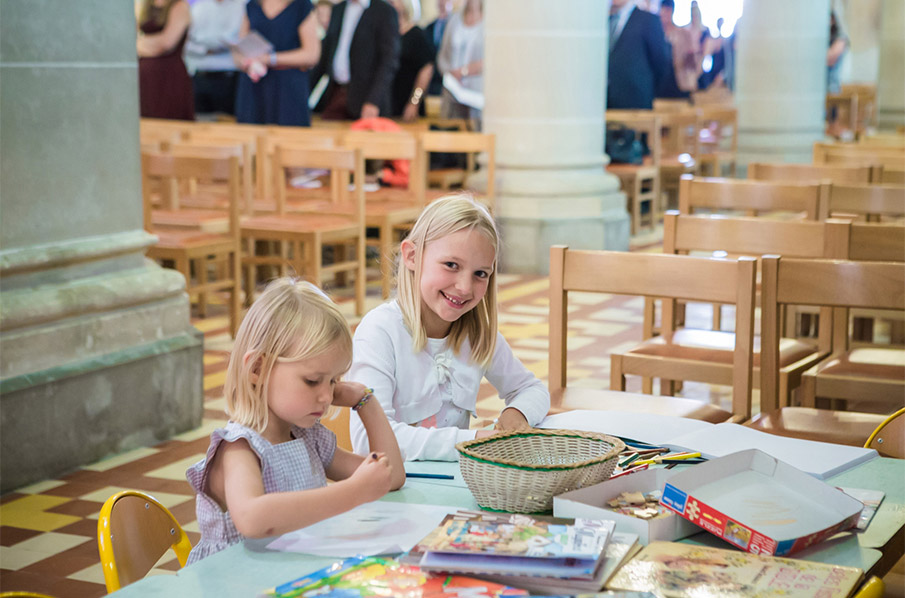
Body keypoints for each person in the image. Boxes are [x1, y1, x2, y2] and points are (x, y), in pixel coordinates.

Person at [186, 278, 405, 563]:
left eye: (334, 381)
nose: (327, 396)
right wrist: (353, 492)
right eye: (313, 381)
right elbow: (253, 519)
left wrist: (365, 401)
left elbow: (391, 476)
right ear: (258, 369)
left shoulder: (306, 437)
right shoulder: (239, 448)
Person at [348, 195, 551, 461]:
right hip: (392, 491)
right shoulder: (380, 331)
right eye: (451, 265)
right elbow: (369, 441)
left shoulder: (477, 335)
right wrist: (473, 441)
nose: (465, 287)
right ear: (411, 256)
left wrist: (516, 414)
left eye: (480, 274)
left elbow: (532, 390)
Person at [233, 0, 321, 126]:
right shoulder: (252, 5)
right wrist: (243, 61)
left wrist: (270, 59)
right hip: (255, 85)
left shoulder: (301, 6)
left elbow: (312, 54)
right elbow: (241, 47)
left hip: (287, 87)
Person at [311, 0, 401, 120]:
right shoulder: (338, 9)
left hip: (367, 98)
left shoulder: (384, 11)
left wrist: (373, 100)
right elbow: (325, 56)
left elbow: (389, 61)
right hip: (336, 93)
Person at [184, 0, 246, 118]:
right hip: (200, 75)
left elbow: (240, 40)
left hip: (229, 76)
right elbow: (186, 42)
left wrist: (216, 47)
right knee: (200, 121)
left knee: (229, 121)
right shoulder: (198, 7)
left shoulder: (242, 6)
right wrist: (207, 50)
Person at [136, 0, 196, 120]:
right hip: (144, 79)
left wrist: (138, 44)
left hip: (168, 77)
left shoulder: (179, 6)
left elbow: (166, 43)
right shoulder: (145, 5)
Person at [607, 0, 671, 110]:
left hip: (634, 104)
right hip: (604, 104)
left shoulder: (648, 20)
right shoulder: (603, 21)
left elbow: (661, 64)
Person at [436, 0, 484, 124]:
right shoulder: (454, 19)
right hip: (452, 89)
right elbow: (443, 55)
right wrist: (450, 74)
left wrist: (464, 71)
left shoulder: (489, 21)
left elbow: (493, 59)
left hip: (477, 94)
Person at [388, 0, 434, 121]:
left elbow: (426, 69)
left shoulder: (416, 34)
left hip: (408, 102)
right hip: (387, 102)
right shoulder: (386, 34)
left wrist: (414, 101)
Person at [424, 0, 453, 96]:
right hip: (433, 82)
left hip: (451, 79)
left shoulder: (455, 26)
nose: (442, 2)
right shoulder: (429, 28)